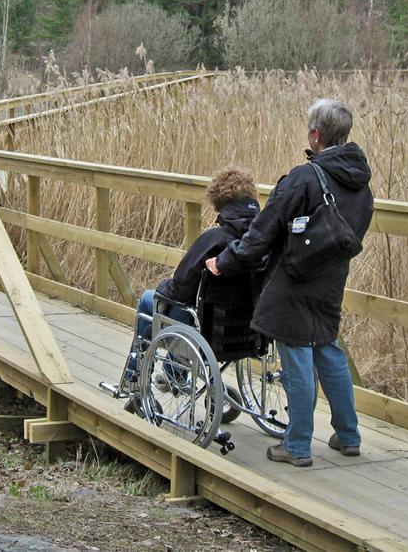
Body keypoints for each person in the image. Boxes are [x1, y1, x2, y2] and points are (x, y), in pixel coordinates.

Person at [205, 98, 373, 467]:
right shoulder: (361, 184)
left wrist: (225, 261)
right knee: (327, 348)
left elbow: (261, 234)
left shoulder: (304, 178)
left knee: (296, 355)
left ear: (315, 134)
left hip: (294, 278)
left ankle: (296, 445)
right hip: (332, 278)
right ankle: (348, 435)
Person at [122, 166, 260, 412]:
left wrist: (163, 285)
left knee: (149, 300)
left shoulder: (216, 239)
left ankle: (136, 381)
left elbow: (178, 287)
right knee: (186, 306)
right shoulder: (261, 241)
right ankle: (174, 373)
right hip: (243, 334)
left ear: (219, 202)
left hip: (205, 332)